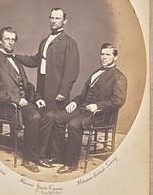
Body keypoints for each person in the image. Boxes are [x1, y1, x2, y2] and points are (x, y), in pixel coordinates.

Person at [0, 26, 54, 173]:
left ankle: (39, 154)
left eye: (13, 39)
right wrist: (16, 99)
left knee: (49, 115)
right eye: (7, 39)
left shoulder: (17, 61)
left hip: (25, 104)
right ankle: (28, 158)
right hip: (8, 107)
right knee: (34, 117)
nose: (10, 42)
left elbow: (27, 85)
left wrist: (37, 98)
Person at [49, 43, 127, 174]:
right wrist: (74, 102)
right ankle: (58, 155)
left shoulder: (119, 77)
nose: (104, 57)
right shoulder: (96, 72)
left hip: (100, 115)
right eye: (102, 54)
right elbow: (84, 95)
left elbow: (118, 100)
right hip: (83, 109)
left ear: (115, 57)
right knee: (57, 118)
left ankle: (71, 163)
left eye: (107, 54)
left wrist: (97, 106)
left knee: (74, 125)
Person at [15, 7, 80, 113]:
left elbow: (71, 72)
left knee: (54, 119)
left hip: (57, 89)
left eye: (57, 18)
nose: (54, 21)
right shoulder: (44, 41)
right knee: (42, 117)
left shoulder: (69, 43)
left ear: (64, 21)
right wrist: (15, 56)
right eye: (52, 18)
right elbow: (35, 61)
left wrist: (63, 92)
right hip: (42, 86)